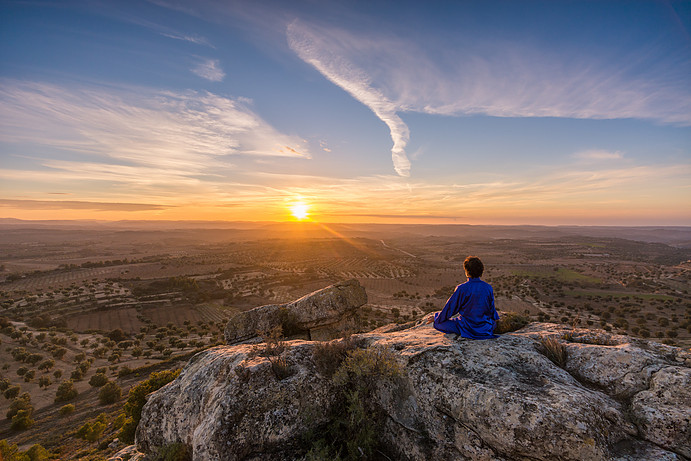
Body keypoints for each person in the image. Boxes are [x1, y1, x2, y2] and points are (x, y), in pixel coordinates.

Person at [428, 256, 499, 339]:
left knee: (438, 324)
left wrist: (437, 318)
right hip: (484, 328)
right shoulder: (488, 287)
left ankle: (467, 332)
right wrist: (494, 320)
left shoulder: (462, 288)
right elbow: (492, 310)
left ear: (467, 272)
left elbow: (450, 308)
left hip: (467, 327)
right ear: (481, 270)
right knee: (493, 324)